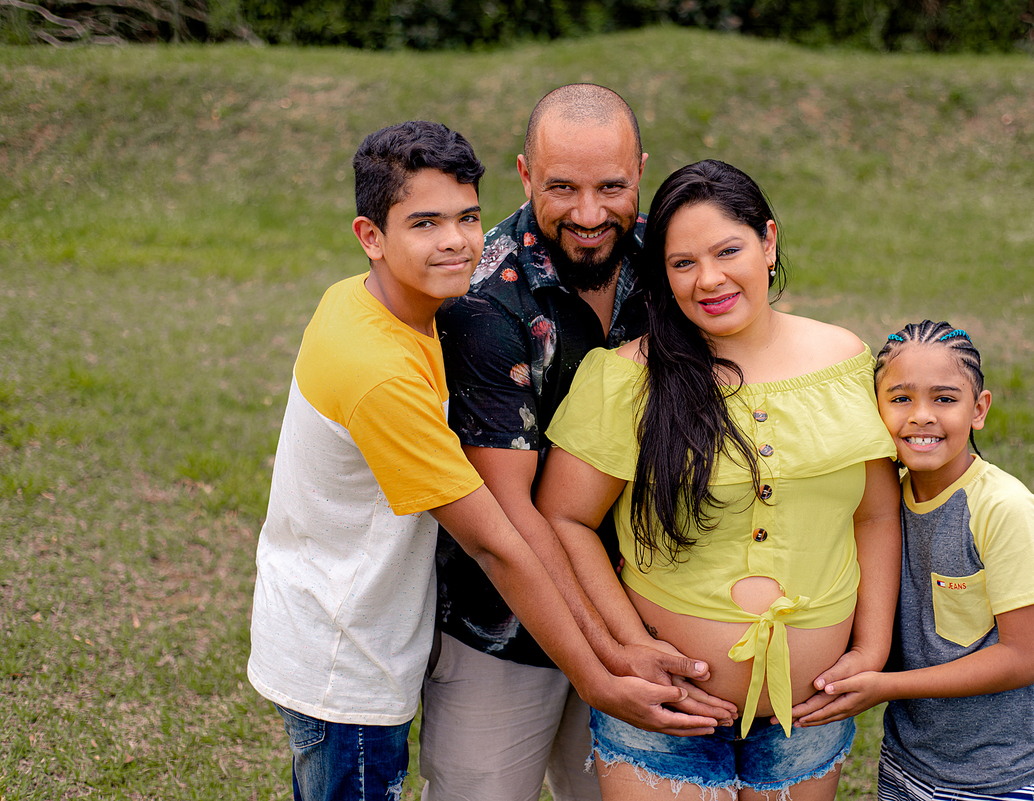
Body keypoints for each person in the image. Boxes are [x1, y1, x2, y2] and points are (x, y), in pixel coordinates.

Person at [247, 120, 700, 801]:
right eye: (425, 223)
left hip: (356, 627)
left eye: (467, 218)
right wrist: (602, 672)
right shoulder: (383, 369)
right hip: (347, 656)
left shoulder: (377, 304)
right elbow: (496, 541)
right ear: (370, 236)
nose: (458, 241)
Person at [536, 159, 902, 800]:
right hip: (665, 712)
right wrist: (629, 648)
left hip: (808, 714)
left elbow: (873, 514)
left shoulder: (843, 359)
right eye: (683, 263)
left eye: (728, 251)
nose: (708, 279)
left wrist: (871, 649)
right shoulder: (628, 377)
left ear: (769, 241)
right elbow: (564, 518)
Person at [421, 84, 732, 801]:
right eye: (562, 188)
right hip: (504, 618)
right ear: (526, 174)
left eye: (611, 187)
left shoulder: (677, 261)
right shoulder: (483, 298)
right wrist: (612, 654)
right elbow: (509, 514)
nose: (589, 215)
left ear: (641, 171)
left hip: (653, 605)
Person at [793, 320, 1034, 801]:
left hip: (1003, 773)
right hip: (908, 761)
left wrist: (885, 686)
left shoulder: (1005, 510)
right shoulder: (879, 509)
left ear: (978, 409)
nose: (921, 416)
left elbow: (1024, 658)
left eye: (944, 399)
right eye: (900, 399)